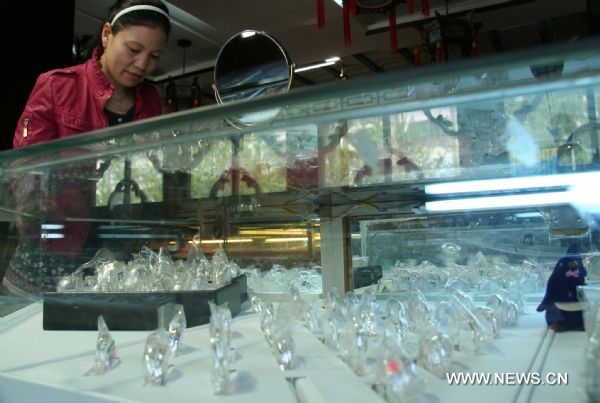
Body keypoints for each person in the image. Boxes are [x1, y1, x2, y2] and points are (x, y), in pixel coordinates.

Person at [3, 0, 171, 295]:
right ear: (107, 34)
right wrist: (30, 203)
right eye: (134, 50)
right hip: (52, 246)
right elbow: (26, 165)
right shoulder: (57, 85)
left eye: (154, 55)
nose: (143, 64)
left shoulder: (152, 99)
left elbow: (151, 174)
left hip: (116, 251)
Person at [537, 244, 587, 332]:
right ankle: (558, 324)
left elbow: (581, 290)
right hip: (559, 307)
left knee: (578, 315)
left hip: (576, 307)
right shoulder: (555, 280)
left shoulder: (576, 278)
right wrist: (544, 305)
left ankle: (579, 324)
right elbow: (549, 294)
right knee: (554, 311)